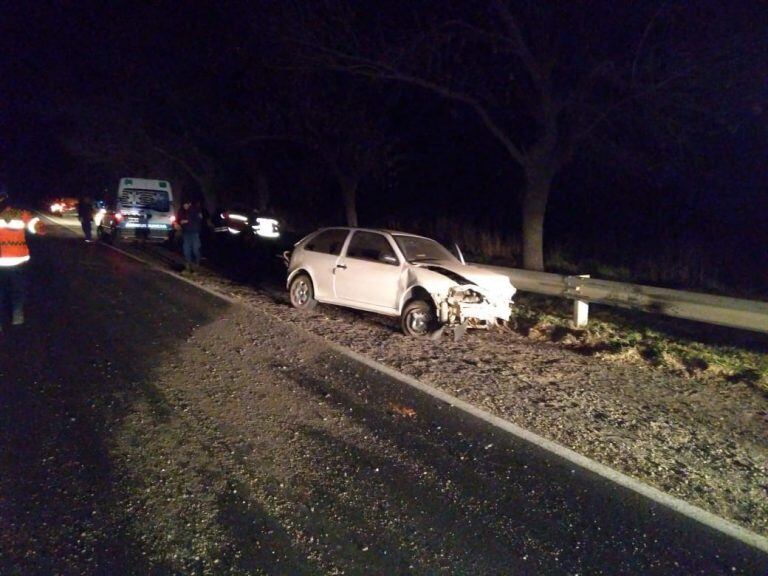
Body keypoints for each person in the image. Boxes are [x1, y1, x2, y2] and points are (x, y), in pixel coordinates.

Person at [0, 189, 43, 327]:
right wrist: (38, 226)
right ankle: (17, 314)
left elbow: (34, 224)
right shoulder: (20, 214)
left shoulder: (20, 214)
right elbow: (35, 226)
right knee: (17, 288)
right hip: (17, 261)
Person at [176, 199, 202, 271]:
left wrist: (187, 221)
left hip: (194, 233)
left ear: (189, 204)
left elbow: (198, 220)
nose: (185, 206)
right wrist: (178, 223)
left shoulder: (195, 211)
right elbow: (178, 220)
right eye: (183, 204)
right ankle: (188, 264)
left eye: (186, 204)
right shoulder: (181, 211)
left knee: (195, 249)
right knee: (186, 249)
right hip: (186, 232)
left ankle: (196, 263)